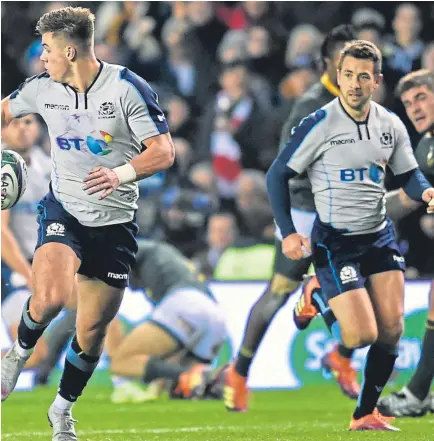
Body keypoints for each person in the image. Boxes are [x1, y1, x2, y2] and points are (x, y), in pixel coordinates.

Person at [1, 6, 174, 441]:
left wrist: (120, 174)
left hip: (115, 222)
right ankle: (16, 357)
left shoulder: (127, 89)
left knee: (93, 332)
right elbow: (3, 110)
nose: (41, 59)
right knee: (52, 297)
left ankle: (61, 410)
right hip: (65, 210)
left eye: (47, 50)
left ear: (71, 51)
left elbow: (164, 151)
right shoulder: (42, 90)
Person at [265, 40, 434, 431]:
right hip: (335, 241)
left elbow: (409, 174)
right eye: (347, 75)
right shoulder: (319, 123)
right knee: (360, 336)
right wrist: (289, 232)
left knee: (391, 331)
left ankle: (364, 414)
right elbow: (277, 174)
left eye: (363, 76)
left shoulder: (390, 124)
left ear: (376, 81)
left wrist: (424, 189)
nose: (354, 84)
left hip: (379, 237)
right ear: (337, 77)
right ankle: (316, 294)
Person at [223, 24, 358, 413]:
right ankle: (245, 369)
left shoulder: (356, 101)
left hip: (336, 212)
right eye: (344, 59)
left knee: (309, 290)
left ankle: (244, 369)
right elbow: (286, 167)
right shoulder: (312, 105)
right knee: (293, 290)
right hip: (308, 212)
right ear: (327, 63)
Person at [377, 69, 434, 417]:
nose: (414, 107)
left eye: (422, 97)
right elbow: (408, 199)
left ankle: (415, 393)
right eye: (408, 102)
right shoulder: (426, 146)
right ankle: (418, 392)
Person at [109, 239, 227, 402]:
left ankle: (194, 376)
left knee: (121, 362)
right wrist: (155, 390)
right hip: (215, 315)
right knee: (181, 390)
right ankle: (210, 379)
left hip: (184, 303)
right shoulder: (167, 258)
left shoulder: (135, 250)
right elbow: (170, 357)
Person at [1, 114, 50, 370]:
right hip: (8, 267)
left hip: (32, 264)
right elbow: (1, 232)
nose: (22, 129)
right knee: (29, 349)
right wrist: (27, 273)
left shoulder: (47, 166)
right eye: (14, 122)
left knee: (35, 351)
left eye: (28, 122)